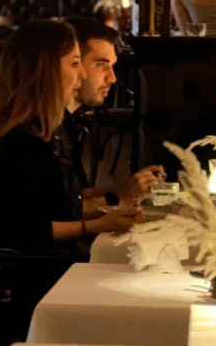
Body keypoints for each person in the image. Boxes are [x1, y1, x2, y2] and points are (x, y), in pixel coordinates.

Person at [0, 19, 139, 254]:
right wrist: (102, 221)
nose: (82, 73)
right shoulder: (20, 140)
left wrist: (120, 195)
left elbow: (60, 200)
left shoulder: (48, 130)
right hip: (35, 268)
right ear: (45, 69)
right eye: (75, 63)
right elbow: (22, 229)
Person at [62, 17, 165, 206]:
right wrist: (120, 197)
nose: (112, 78)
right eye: (102, 65)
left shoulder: (70, 123)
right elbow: (52, 214)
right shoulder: (37, 131)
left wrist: (128, 187)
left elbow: (69, 197)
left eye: (112, 67)